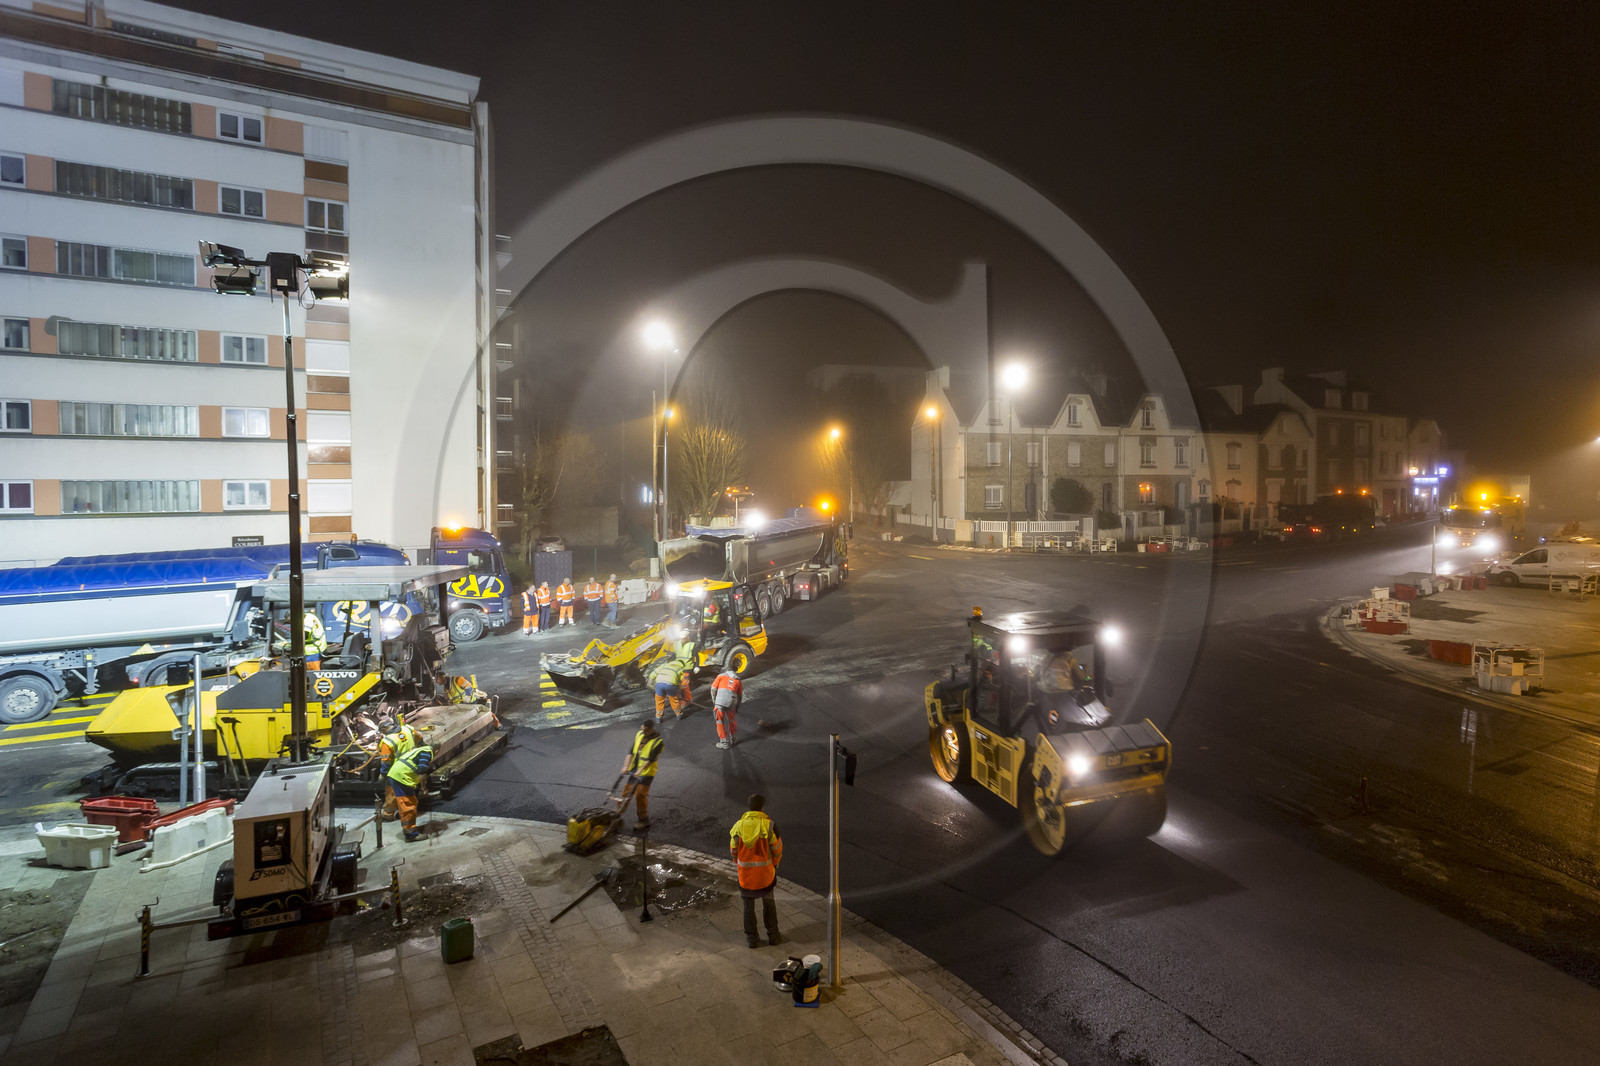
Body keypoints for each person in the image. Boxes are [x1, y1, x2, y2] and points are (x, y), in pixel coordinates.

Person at [729, 794, 782, 948]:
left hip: (746, 877)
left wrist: (740, 864)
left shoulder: (738, 827)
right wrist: (774, 865)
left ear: (749, 807)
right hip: (765, 877)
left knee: (748, 908)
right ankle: (773, 936)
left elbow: (733, 851)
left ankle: (752, 939)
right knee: (769, 905)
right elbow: (777, 850)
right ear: (762, 807)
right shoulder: (769, 825)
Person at [615, 718, 663, 830]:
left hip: (647, 773)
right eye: (642, 729)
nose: (643, 731)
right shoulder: (639, 735)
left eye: (645, 730)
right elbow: (631, 751)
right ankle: (616, 815)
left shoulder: (657, 742)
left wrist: (640, 771)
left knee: (640, 795)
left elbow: (650, 759)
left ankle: (643, 820)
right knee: (626, 792)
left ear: (651, 729)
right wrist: (625, 766)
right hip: (635, 770)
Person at [386, 741, 434, 842]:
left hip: (395, 774)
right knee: (408, 805)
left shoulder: (416, 750)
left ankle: (404, 820)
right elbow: (422, 770)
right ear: (436, 750)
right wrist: (423, 788)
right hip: (402, 778)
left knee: (406, 802)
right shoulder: (427, 752)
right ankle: (411, 834)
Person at [375, 716, 418, 820]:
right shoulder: (408, 729)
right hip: (413, 766)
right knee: (408, 793)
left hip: (398, 771)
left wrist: (383, 774)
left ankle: (388, 815)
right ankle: (403, 812)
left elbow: (386, 762)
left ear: (384, 729)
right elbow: (419, 738)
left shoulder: (387, 741)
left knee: (391, 792)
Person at [711, 666, 743, 749]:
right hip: (732, 702)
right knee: (732, 720)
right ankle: (733, 739)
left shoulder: (720, 676)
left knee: (719, 721)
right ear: (735, 671)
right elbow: (740, 696)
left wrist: (715, 701)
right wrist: (737, 707)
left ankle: (725, 743)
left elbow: (713, 689)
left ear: (728, 670)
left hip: (720, 702)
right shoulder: (738, 680)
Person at [652, 653, 691, 721]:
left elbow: (654, 673)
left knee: (659, 701)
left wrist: (649, 682)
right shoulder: (679, 669)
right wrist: (678, 691)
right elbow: (679, 682)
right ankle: (679, 715)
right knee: (674, 700)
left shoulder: (665, 665)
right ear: (682, 664)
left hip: (659, 684)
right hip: (670, 685)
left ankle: (658, 718)